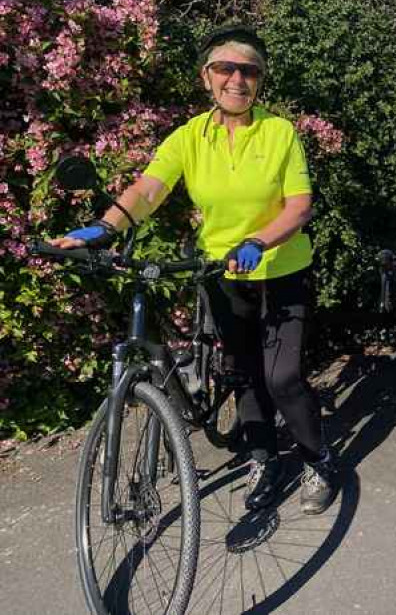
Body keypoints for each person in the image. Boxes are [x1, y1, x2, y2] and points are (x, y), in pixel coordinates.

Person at [52, 25, 337, 515]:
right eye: (225, 68)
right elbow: (147, 190)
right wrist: (103, 228)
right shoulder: (189, 137)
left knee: (283, 377)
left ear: (260, 80)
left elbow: (299, 207)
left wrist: (258, 240)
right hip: (221, 273)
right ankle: (263, 458)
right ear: (207, 77)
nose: (237, 79)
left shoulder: (279, 132)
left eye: (249, 70)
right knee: (244, 374)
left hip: (280, 268)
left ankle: (318, 460)